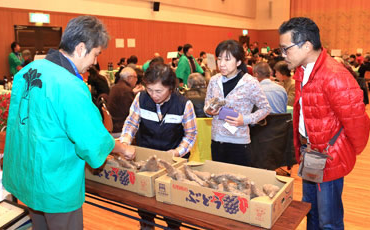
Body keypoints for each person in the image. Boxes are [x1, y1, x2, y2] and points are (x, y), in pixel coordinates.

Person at [2, 15, 134, 230]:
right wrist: (121, 148)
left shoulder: (27, 72)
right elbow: (91, 138)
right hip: (56, 180)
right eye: (96, 54)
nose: (94, 62)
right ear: (81, 48)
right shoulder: (69, 85)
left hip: (28, 173)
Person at [279, 17, 370, 229]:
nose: (283, 55)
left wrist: (340, 150)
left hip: (328, 156)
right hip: (310, 153)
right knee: (310, 212)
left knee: (329, 221)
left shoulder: (334, 76)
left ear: (307, 45)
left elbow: (358, 124)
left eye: (286, 49)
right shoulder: (303, 71)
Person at [120, 63, 197, 230]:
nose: (153, 95)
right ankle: (146, 224)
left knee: (172, 205)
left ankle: (173, 226)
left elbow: (191, 135)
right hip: (146, 157)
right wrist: (125, 142)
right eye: (150, 89)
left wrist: (177, 152)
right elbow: (131, 123)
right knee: (145, 200)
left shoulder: (184, 104)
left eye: (159, 91)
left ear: (170, 87)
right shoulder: (141, 98)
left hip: (173, 161)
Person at [204, 39, 271, 166]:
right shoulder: (214, 81)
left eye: (227, 59)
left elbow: (265, 108)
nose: (222, 64)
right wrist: (209, 111)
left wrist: (245, 119)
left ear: (239, 62)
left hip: (239, 142)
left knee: (241, 182)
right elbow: (207, 106)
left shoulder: (250, 82)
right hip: (217, 140)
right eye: (219, 59)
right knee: (219, 181)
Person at [107, 67, 137, 133]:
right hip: (120, 127)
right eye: (135, 77)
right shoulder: (126, 91)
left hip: (113, 124)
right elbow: (132, 113)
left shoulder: (115, 87)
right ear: (129, 78)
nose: (136, 80)